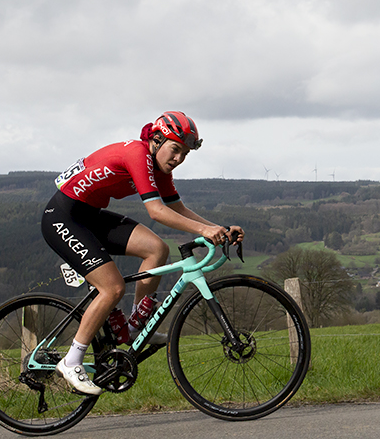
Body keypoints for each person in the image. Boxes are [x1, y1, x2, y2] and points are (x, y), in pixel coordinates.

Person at [41, 111, 244, 395]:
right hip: (63, 217)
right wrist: (204, 231)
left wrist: (217, 228)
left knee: (157, 249)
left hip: (89, 215)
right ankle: (72, 360)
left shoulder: (159, 168)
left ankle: (137, 329)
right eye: (175, 149)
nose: (178, 159)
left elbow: (178, 208)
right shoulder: (137, 153)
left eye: (185, 154)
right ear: (157, 139)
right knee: (112, 288)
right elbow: (156, 211)